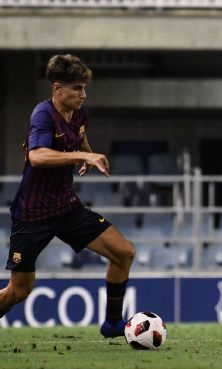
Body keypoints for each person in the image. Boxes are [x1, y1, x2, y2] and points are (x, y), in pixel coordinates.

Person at [0, 54, 136, 338]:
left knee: (123, 253)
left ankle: (112, 324)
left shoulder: (78, 113)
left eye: (84, 88)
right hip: (32, 215)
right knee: (18, 291)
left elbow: (79, 137)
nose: (83, 94)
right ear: (57, 89)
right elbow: (37, 156)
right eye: (77, 88)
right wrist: (83, 154)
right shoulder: (43, 114)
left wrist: (85, 154)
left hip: (66, 208)